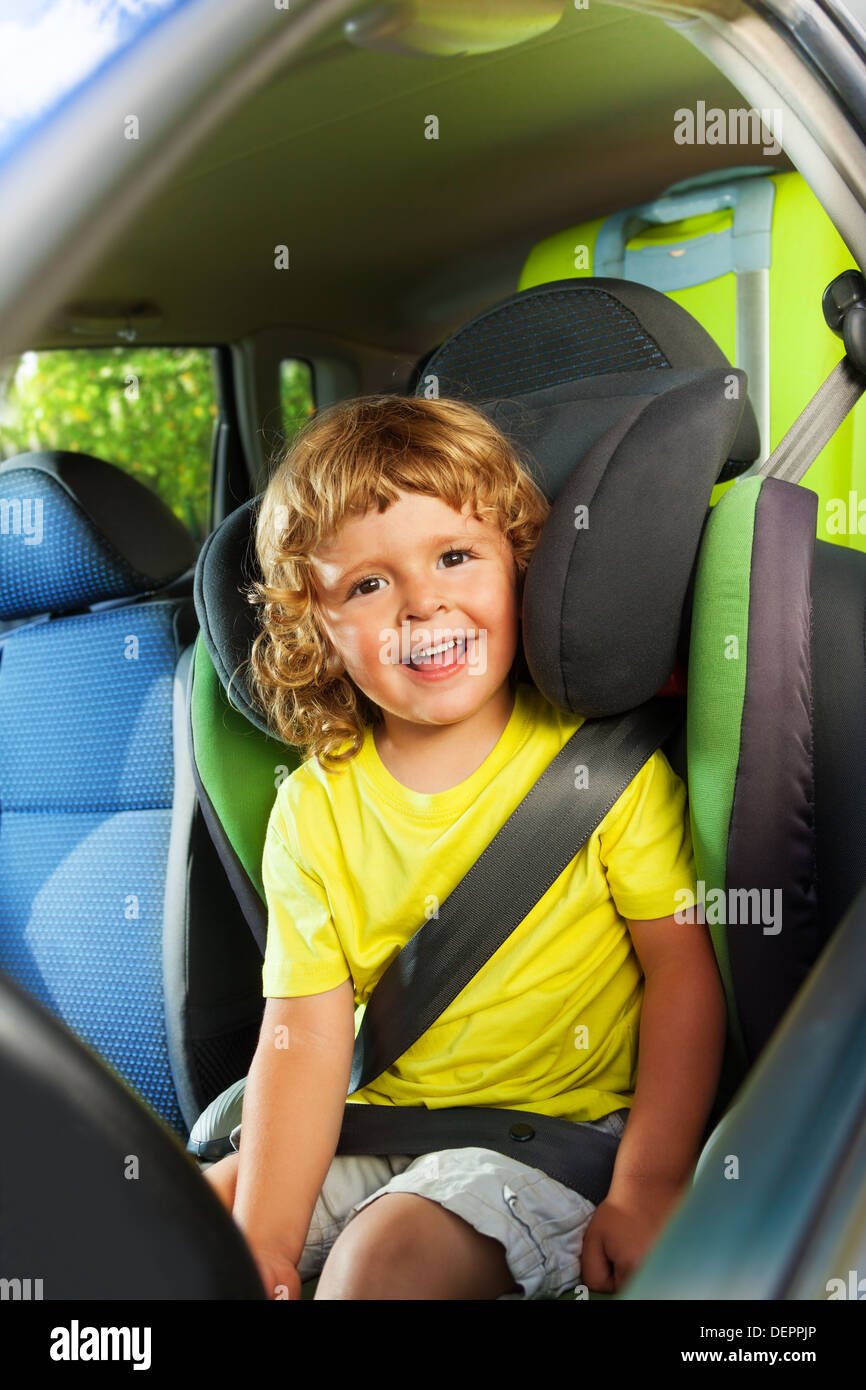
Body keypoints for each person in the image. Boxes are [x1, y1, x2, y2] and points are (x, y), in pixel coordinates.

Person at [202, 393, 727, 1301]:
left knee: (380, 1266)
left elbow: (684, 976)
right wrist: (265, 1244)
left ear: (520, 564)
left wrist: (649, 1185)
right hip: (381, 1126)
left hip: (552, 1141)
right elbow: (306, 1040)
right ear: (316, 626)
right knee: (180, 1233)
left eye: (455, 556)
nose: (422, 603)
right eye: (368, 585)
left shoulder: (598, 769)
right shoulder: (314, 812)